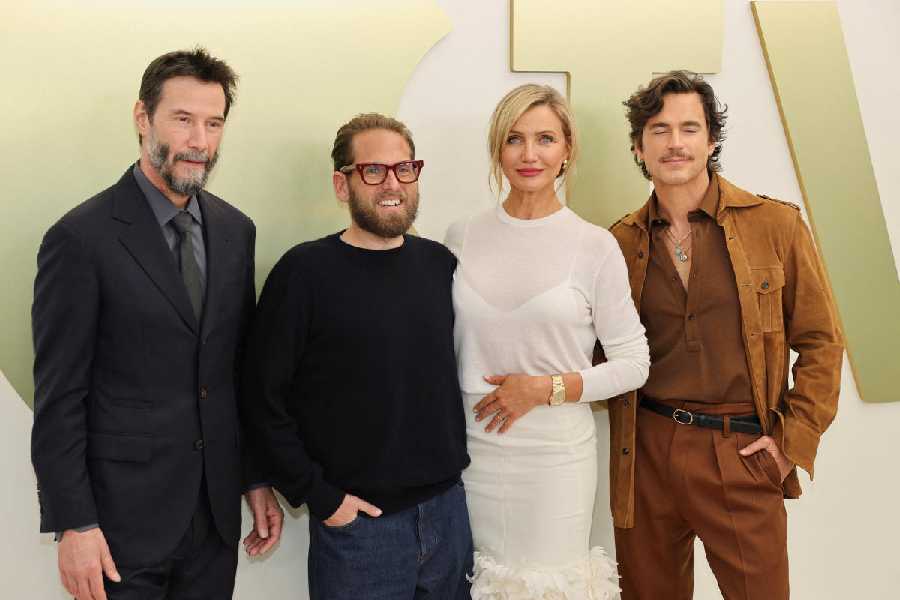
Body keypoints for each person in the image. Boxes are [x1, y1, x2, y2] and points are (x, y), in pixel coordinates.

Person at [30, 47, 282, 600]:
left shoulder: (236, 230)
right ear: (143, 118)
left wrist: (254, 476)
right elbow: (60, 394)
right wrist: (74, 523)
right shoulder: (80, 239)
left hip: (214, 521)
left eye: (214, 123)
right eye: (183, 119)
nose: (200, 140)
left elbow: (236, 371)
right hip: (119, 528)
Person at [608, 70, 844, 599]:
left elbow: (822, 341)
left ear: (711, 140)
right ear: (639, 147)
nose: (674, 143)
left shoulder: (775, 225)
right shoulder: (618, 242)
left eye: (689, 128)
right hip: (647, 449)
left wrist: (791, 442)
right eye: (659, 130)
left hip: (741, 449)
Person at [240, 113, 473, 599]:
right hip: (360, 530)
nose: (393, 183)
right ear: (341, 185)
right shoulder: (304, 273)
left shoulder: (439, 265)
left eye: (404, 168)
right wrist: (321, 498)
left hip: (448, 515)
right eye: (373, 171)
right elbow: (261, 399)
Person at [444, 84, 650, 598]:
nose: (529, 154)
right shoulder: (460, 235)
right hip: (470, 452)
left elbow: (633, 362)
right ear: (497, 149)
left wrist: (544, 389)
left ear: (567, 150)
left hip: (555, 458)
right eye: (514, 139)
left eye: (545, 139)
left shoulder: (594, 245)